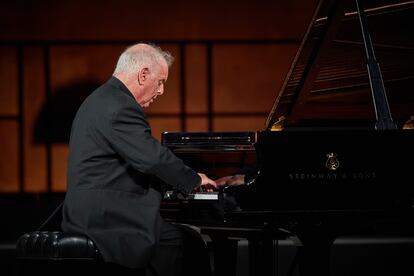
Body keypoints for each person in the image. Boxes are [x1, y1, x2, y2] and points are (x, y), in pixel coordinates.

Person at [61, 42, 217, 276]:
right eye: (161, 81)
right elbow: (152, 159)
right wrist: (194, 180)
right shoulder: (121, 105)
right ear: (143, 75)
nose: (162, 90)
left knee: (183, 239)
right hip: (106, 220)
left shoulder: (101, 98)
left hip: (91, 213)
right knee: (185, 242)